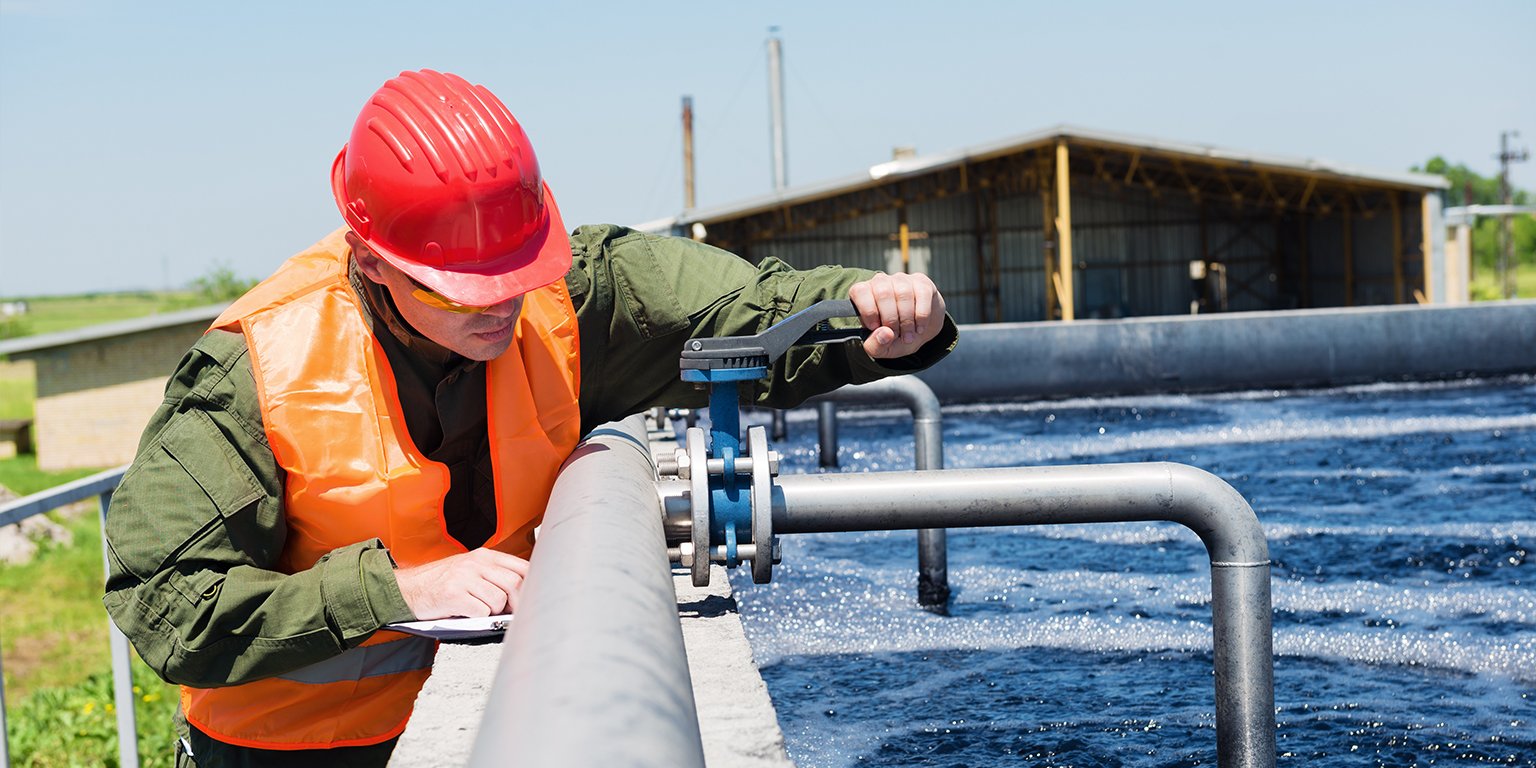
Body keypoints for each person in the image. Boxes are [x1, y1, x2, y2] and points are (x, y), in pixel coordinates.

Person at [102, 69, 955, 767]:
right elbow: (167, 603)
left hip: (500, 725)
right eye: (468, 291)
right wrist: (393, 588)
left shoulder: (570, 295)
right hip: (286, 756)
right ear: (373, 261)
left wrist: (873, 316)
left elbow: (750, 309)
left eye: (517, 273)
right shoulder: (254, 369)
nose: (502, 308)